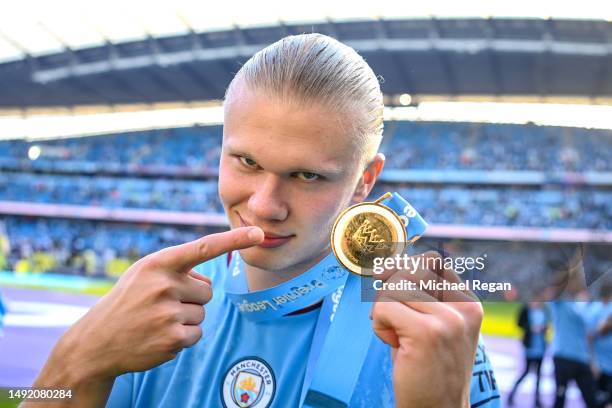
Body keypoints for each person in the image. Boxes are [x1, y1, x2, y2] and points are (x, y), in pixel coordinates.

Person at [25, 34, 499, 407]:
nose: (265, 205)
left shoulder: (436, 329)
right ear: (221, 148)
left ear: (364, 181)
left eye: (308, 175)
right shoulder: (147, 302)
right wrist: (76, 362)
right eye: (246, 162)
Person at [507, 300, 549, 407]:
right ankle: (511, 394)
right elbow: (519, 323)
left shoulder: (544, 310)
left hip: (540, 347)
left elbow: (546, 325)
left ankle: (537, 400)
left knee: (539, 375)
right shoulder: (526, 310)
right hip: (530, 347)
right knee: (526, 372)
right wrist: (531, 328)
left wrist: (544, 328)